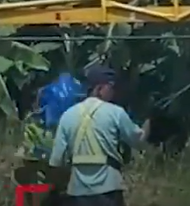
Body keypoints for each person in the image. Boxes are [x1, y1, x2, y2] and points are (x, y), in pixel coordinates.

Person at [49, 65, 150, 206]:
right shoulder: (116, 113)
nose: (113, 92)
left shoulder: (68, 115)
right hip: (108, 191)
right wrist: (148, 123)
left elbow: (56, 161)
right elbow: (138, 141)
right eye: (111, 87)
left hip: (77, 193)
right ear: (99, 88)